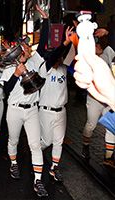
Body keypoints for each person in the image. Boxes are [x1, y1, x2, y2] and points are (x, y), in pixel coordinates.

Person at [0, 5, 49, 197]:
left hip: (32, 110)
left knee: (35, 145)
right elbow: (7, 90)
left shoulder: (36, 60)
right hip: (14, 110)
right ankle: (13, 164)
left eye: (29, 46)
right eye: (24, 46)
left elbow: (44, 44)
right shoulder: (9, 66)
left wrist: (45, 21)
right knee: (13, 140)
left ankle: (38, 181)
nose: (28, 48)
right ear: (18, 50)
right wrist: (15, 74)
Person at [38, 26, 73, 182]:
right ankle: (35, 153)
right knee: (46, 141)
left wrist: (75, 39)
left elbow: (71, 56)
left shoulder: (63, 69)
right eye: (54, 56)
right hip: (46, 111)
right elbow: (53, 57)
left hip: (61, 111)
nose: (57, 58)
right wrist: (64, 42)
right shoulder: (44, 69)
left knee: (59, 141)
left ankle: (54, 168)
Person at [78, 27, 115, 167]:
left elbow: (113, 44)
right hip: (93, 98)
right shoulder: (88, 60)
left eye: (99, 44)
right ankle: (85, 146)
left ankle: (108, 157)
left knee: (110, 126)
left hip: (107, 97)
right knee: (91, 124)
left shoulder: (106, 55)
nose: (98, 45)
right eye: (96, 44)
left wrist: (108, 33)